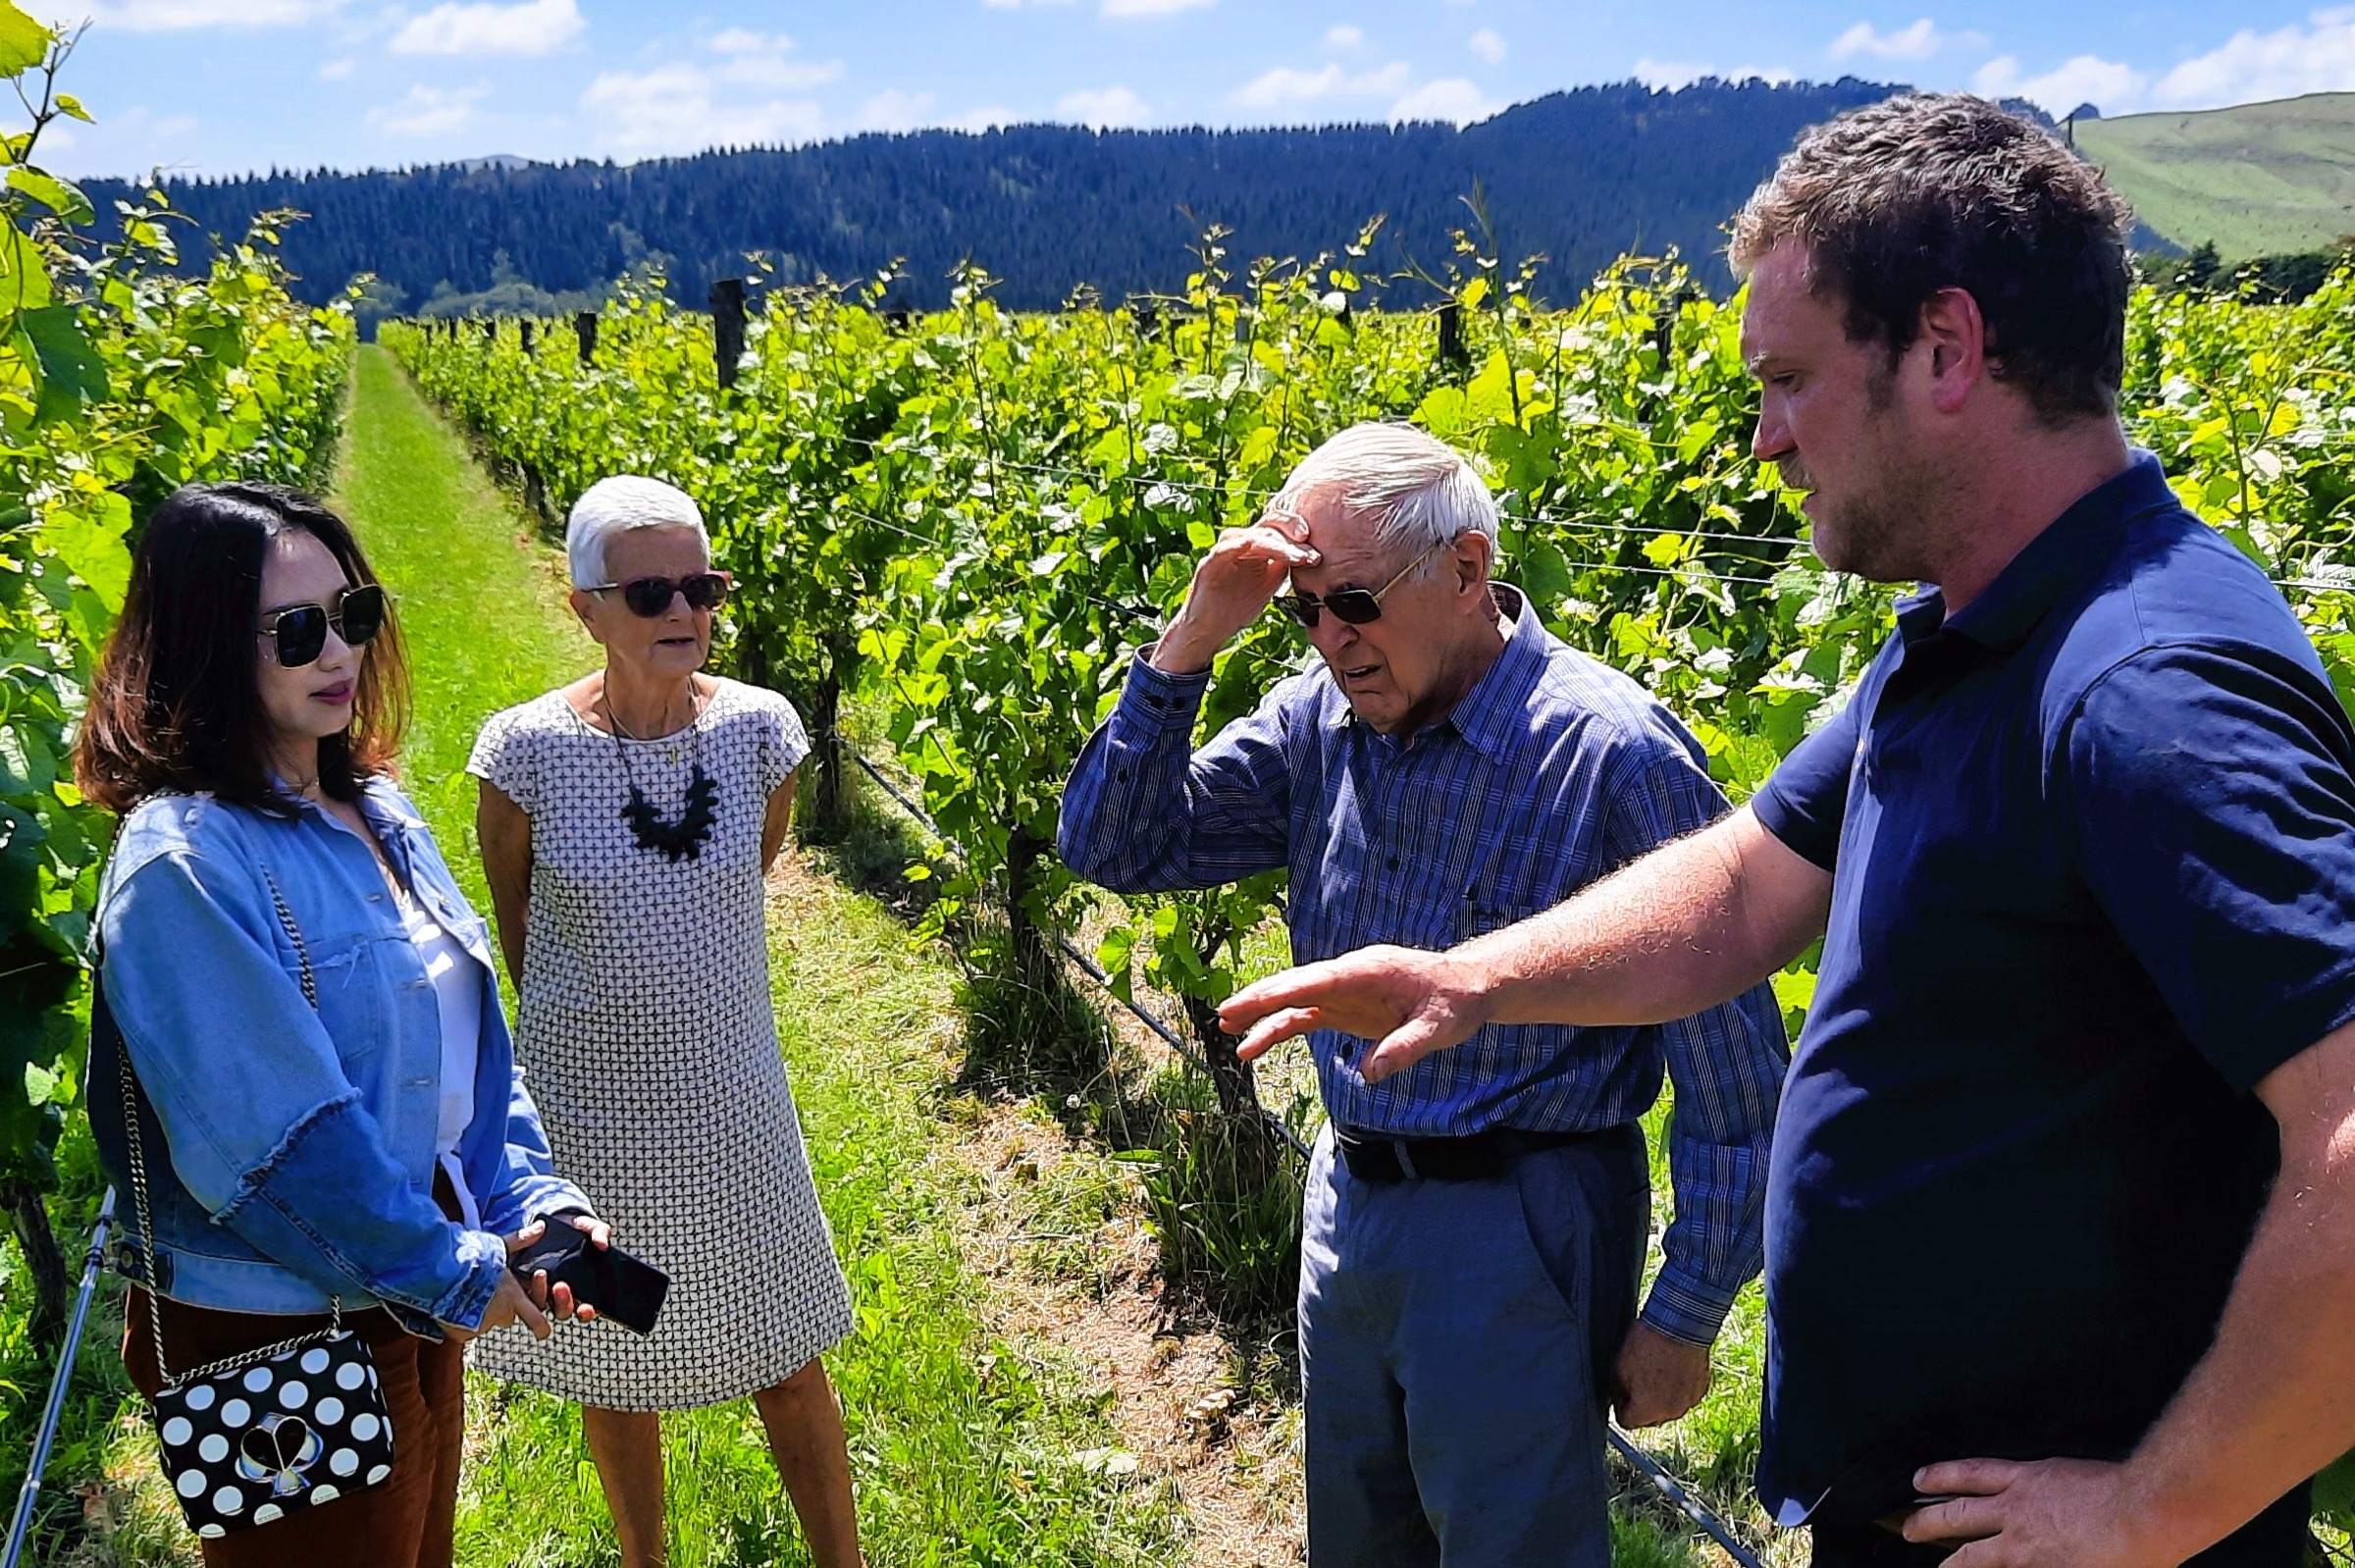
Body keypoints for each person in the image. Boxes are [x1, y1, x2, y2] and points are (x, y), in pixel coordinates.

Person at [1221, 94, 2355, 1568]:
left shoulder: (2142, 686)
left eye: (1789, 380)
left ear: (1946, 350)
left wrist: (2164, 1507)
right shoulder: (1967, 637)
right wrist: (1472, 980)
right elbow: (1749, 884)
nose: (1761, 438)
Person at [1059, 422, 1789, 1566]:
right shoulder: (1318, 719)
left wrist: (1688, 1307)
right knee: (1360, 1544)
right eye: (1303, 608)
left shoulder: (1611, 754)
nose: (1329, 638)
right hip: (1350, 1198)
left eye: (1352, 599)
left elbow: (1733, 1068)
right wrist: (1191, 641)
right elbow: (1113, 842)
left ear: (1465, 568)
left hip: (1523, 1216)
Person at [77, 482, 604, 1568]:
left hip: (407, 1286)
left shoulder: (372, 803)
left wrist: (527, 1194)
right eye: (298, 629)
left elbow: (462, 1044)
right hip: (274, 1328)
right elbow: (275, 1152)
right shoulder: (184, 864)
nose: (341, 651)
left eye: (353, 613)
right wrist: (451, 1266)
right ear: (206, 644)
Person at [468, 475, 862, 1568]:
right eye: (652, 591)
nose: (684, 610)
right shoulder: (524, 751)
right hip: (585, 1112)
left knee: (783, 1350)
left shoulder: (760, 733)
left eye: (702, 585)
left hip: (733, 1095)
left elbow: (756, 865)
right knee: (612, 1357)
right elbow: (518, 912)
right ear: (584, 604)